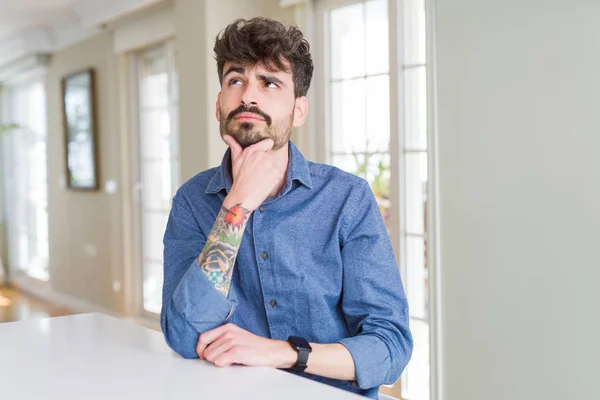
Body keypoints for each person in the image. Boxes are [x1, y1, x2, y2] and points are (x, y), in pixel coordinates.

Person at [161, 17, 413, 398]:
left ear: (298, 110)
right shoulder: (192, 201)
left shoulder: (348, 199)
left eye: (270, 82)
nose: (249, 95)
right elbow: (183, 335)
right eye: (236, 80)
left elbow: (390, 347)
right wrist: (237, 206)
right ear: (219, 105)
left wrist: (283, 353)